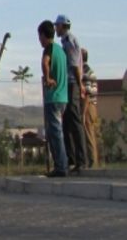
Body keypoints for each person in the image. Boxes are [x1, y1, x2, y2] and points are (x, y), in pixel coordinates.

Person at [55, 14, 87, 173]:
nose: (55, 28)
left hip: (73, 83)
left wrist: (80, 85)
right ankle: (72, 158)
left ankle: (81, 159)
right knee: (67, 121)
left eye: (57, 26)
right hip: (69, 83)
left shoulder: (69, 42)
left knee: (74, 120)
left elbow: (74, 65)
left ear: (62, 26)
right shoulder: (65, 41)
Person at [38, 19, 68, 177]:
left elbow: (45, 63)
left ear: (43, 35)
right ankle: (61, 163)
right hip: (64, 97)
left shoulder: (49, 48)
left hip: (53, 96)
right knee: (56, 131)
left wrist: (47, 78)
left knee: (55, 132)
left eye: (39, 37)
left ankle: (61, 166)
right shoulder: (61, 51)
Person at [81, 48, 100, 168]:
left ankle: (92, 163)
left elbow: (87, 93)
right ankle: (92, 162)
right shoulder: (89, 71)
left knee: (88, 134)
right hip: (92, 105)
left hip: (88, 106)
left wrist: (83, 112)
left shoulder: (86, 72)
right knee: (90, 133)